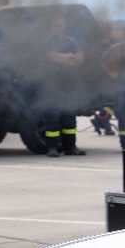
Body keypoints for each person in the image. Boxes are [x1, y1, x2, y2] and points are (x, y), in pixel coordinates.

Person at [41, 14, 86, 157]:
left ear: (64, 26)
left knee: (69, 117)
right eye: (55, 25)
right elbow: (51, 56)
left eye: (60, 25)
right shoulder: (47, 41)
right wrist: (68, 57)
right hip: (52, 84)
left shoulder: (71, 41)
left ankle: (70, 147)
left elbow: (80, 59)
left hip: (68, 84)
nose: (58, 28)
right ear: (51, 27)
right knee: (52, 117)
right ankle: (52, 148)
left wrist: (64, 58)